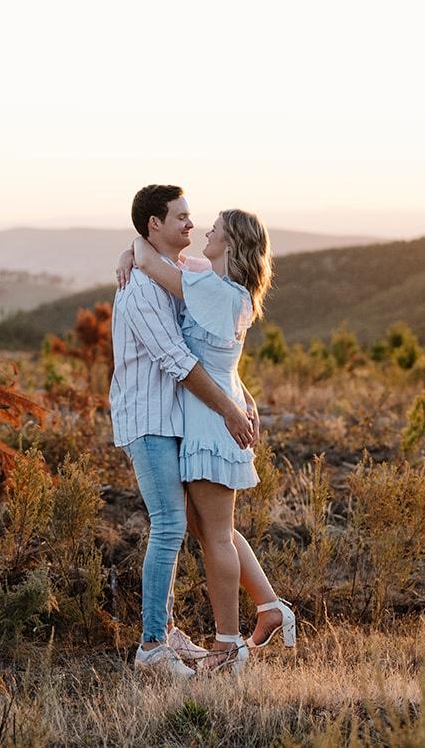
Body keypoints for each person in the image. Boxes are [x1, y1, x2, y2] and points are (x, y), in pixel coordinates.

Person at [115, 206, 296, 672]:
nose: (205, 231)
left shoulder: (215, 292)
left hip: (212, 421)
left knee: (214, 535)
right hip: (210, 417)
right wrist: (131, 251)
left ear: (231, 243)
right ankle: (270, 607)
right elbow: (170, 264)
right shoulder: (214, 282)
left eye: (215, 227)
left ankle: (227, 645)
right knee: (211, 529)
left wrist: (136, 247)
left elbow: (155, 263)